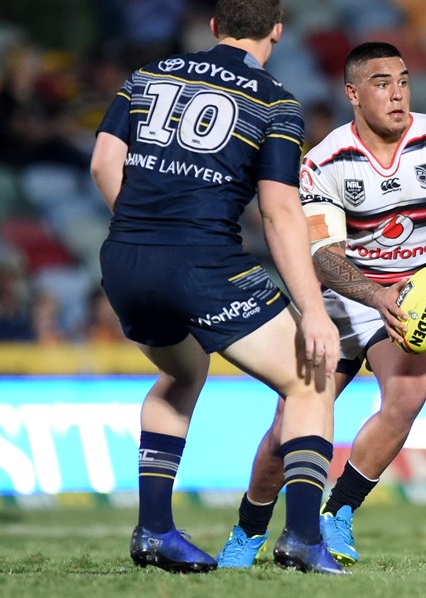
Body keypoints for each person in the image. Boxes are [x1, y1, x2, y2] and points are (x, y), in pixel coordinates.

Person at [217, 41, 426, 568]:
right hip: (339, 301)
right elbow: (323, 257)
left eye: (403, 81)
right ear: (352, 93)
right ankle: (249, 526)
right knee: (288, 431)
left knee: (407, 396)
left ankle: (339, 512)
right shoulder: (325, 161)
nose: (397, 94)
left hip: (414, 295)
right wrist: (376, 295)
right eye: (381, 83)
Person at [89, 0, 346, 575]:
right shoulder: (275, 102)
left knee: (182, 372)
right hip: (202, 262)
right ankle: (303, 538)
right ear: (277, 30)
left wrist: (141, 232)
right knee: (311, 380)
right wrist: (313, 311)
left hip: (125, 258)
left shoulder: (148, 76)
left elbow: (106, 163)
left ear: (214, 26)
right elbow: (280, 213)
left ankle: (154, 531)